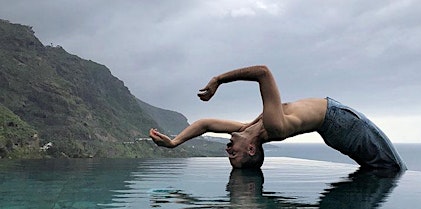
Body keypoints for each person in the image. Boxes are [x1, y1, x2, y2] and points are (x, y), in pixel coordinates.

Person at [149, 65, 406, 171]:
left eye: (229, 154)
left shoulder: (248, 128)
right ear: (251, 148)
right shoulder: (273, 126)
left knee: (387, 168)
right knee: (391, 168)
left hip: (339, 123)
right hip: (344, 124)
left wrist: (174, 143)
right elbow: (263, 73)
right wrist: (219, 80)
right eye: (233, 154)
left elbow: (205, 124)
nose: (227, 149)